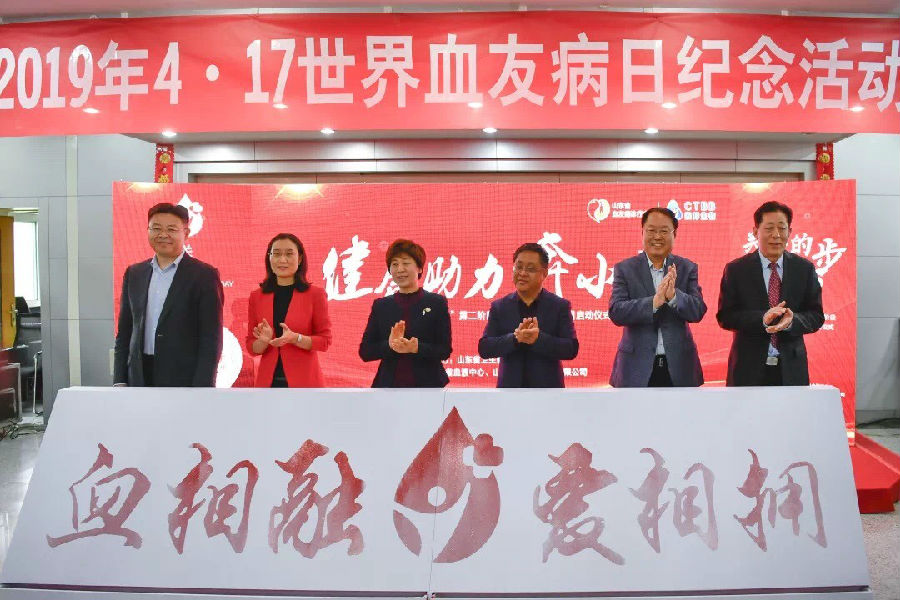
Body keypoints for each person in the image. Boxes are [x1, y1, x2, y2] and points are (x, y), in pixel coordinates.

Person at [114, 203, 223, 387]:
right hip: (139, 377)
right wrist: (120, 379)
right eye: (156, 228)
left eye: (171, 229)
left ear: (186, 233)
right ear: (148, 231)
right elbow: (125, 332)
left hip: (183, 378)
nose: (163, 235)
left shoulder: (204, 275)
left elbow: (211, 338)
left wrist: (203, 386)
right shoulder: (134, 273)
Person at [716, 201, 824, 386]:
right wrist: (762, 319)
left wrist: (793, 321)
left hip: (792, 369)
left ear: (790, 232)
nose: (776, 235)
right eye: (769, 228)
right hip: (747, 369)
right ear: (755, 231)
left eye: (782, 228)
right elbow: (725, 317)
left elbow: (816, 315)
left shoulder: (804, 269)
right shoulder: (736, 269)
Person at [609, 207, 707, 387]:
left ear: (674, 234)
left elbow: (698, 311)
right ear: (642, 232)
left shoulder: (687, 267)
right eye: (651, 230)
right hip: (635, 367)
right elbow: (616, 312)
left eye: (664, 231)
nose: (657, 236)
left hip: (679, 367)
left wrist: (674, 296)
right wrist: (653, 303)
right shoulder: (625, 269)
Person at [478, 243, 578, 387]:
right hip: (509, 391)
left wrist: (538, 339)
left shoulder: (559, 306)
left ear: (544, 273)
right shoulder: (500, 307)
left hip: (548, 391)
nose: (523, 273)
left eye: (530, 269)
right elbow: (485, 348)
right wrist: (515, 338)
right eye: (518, 267)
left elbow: (571, 349)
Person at [359, 239, 451, 387]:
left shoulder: (436, 303)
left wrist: (417, 348)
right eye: (394, 264)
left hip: (429, 387)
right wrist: (389, 345)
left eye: (406, 263)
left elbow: (444, 350)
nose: (400, 269)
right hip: (388, 387)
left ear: (419, 268)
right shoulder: (381, 305)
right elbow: (365, 351)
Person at [246, 233, 332, 387]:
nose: (282, 260)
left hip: (305, 384)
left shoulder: (315, 295)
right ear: (269, 258)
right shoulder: (257, 297)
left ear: (300, 259)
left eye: (289, 254)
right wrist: (263, 341)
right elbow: (252, 348)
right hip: (268, 385)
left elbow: (324, 341)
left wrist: (295, 338)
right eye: (276, 254)